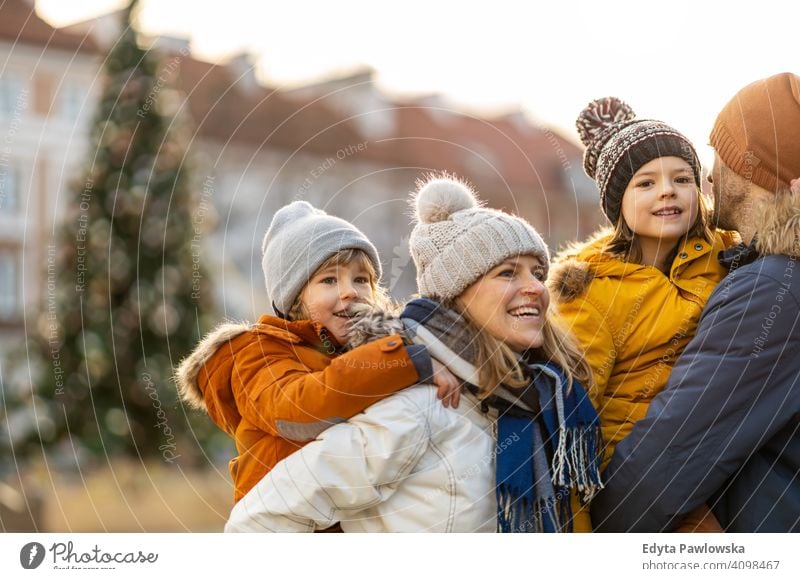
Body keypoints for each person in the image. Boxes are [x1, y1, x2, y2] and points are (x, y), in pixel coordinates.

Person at [224, 176, 603, 532]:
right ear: (458, 290)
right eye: (508, 272)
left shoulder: (551, 397)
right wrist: (412, 362)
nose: (536, 287)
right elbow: (260, 518)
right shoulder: (419, 405)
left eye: (538, 271)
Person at [591, 72, 800, 532]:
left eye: (719, 152)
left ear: (753, 166)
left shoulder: (774, 289)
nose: (710, 173)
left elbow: (664, 465)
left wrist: (592, 533)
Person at [176, 201, 459, 501]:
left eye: (361, 279)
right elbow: (299, 410)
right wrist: (405, 360)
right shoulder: (258, 352)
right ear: (293, 298)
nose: (350, 291)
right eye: (329, 280)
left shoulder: (362, 354)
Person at [550, 98, 738, 530]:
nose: (667, 190)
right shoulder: (591, 289)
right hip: (635, 472)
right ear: (619, 205)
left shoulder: (725, 252)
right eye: (646, 183)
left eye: (682, 178)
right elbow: (575, 419)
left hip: (712, 451)